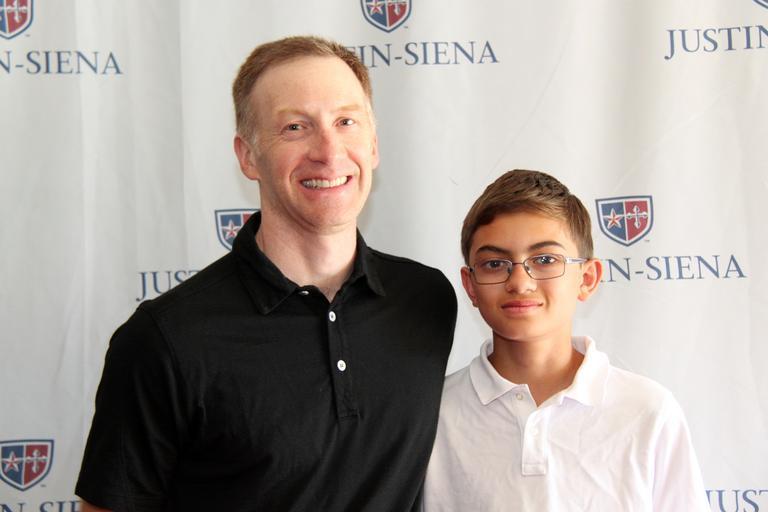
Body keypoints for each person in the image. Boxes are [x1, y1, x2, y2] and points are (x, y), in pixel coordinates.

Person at [76, 36, 457, 512]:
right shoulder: (164, 340)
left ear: (374, 144)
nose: (329, 151)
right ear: (248, 156)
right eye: (295, 127)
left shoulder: (425, 300)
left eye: (346, 122)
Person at [422, 170, 708, 511]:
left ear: (587, 278)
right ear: (470, 286)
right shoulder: (430, 415)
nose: (520, 282)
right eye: (495, 263)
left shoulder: (648, 411)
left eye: (545, 260)